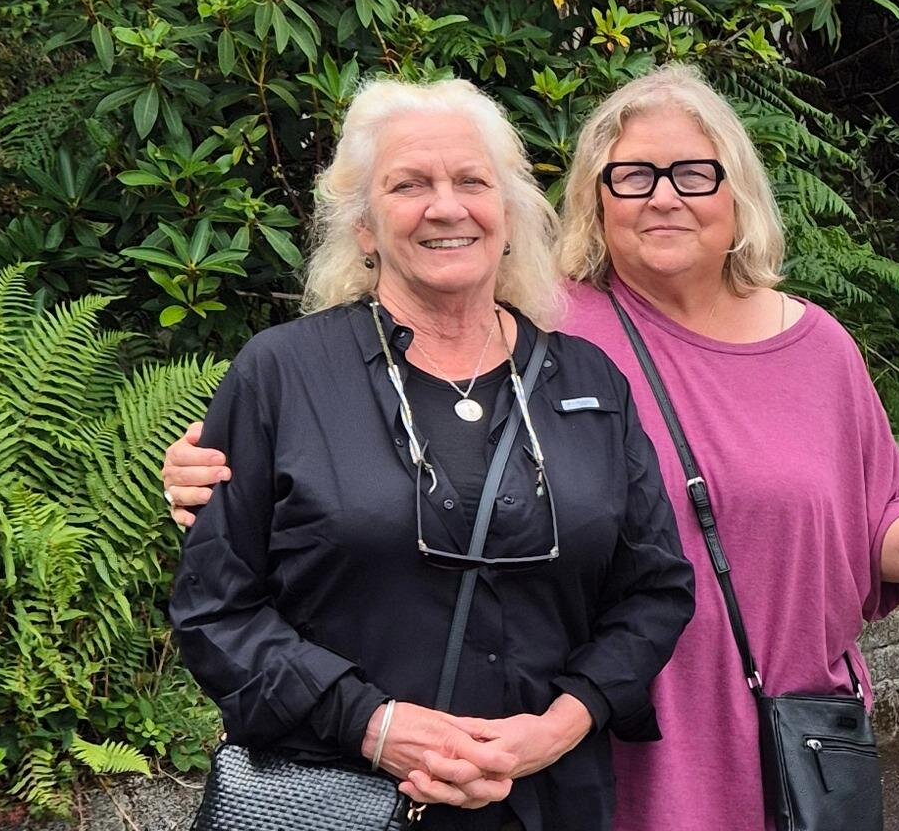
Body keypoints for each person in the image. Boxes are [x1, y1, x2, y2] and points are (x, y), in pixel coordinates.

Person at [168, 64, 899, 831]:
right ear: (593, 199)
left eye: (694, 173)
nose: (664, 197)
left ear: (739, 192)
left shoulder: (797, 349)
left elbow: (860, 531)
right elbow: (276, 530)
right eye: (633, 176)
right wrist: (205, 478)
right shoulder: (547, 323)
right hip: (589, 757)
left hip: (736, 739)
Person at [170, 78, 695, 830]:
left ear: (507, 214)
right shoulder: (282, 375)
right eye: (409, 185)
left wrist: (561, 725)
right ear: (364, 227)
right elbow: (216, 608)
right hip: (342, 799)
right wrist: (370, 723)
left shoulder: (587, 382)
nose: (446, 207)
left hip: (549, 800)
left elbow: (655, 590)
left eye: (472, 182)